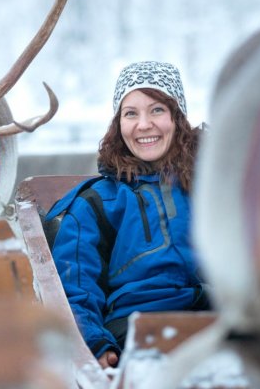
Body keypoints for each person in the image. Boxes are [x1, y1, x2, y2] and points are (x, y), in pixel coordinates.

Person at [47, 61, 211, 370]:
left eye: (157, 110)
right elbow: (75, 285)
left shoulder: (212, 184)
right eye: (131, 113)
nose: (144, 124)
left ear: (177, 117)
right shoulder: (97, 202)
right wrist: (94, 341)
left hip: (215, 316)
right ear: (118, 124)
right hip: (137, 329)